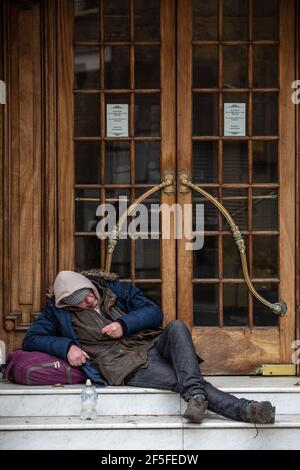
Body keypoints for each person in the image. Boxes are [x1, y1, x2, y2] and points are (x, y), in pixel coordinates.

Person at [23, 270, 276, 424]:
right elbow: (32, 339)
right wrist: (67, 346)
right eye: (78, 302)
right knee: (187, 380)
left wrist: (124, 324)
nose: (88, 302)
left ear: (89, 284)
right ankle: (246, 409)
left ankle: (197, 395)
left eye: (87, 294)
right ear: (67, 304)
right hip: (124, 365)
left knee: (176, 326)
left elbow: (154, 312)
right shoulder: (57, 314)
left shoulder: (115, 290)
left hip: (150, 343)